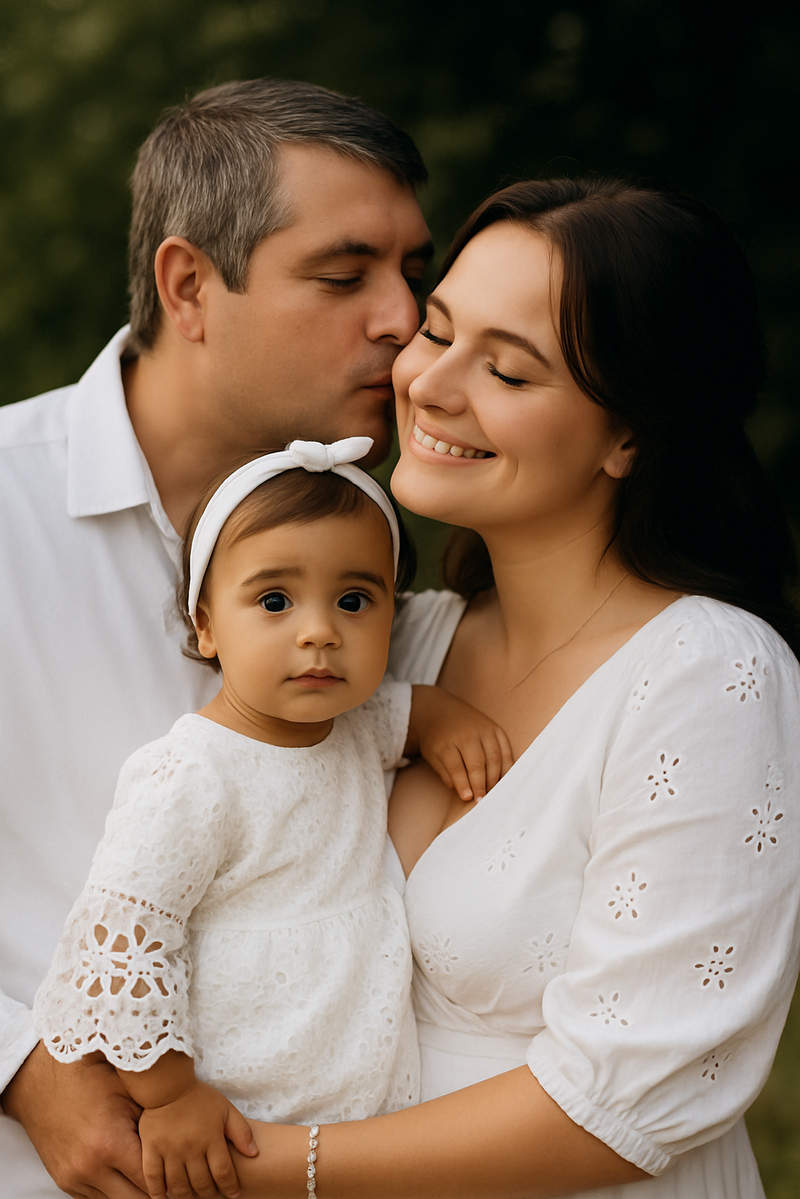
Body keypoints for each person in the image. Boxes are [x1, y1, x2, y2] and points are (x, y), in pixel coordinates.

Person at [229, 179, 800, 1198]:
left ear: (629, 433)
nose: (432, 384)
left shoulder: (708, 674)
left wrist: (269, 1166)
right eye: (435, 332)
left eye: (504, 368)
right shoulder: (390, 640)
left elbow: (619, 1101)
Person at [0, 78, 432, 1198]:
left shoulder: (398, 544)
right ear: (188, 284)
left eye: (410, 274)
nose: (402, 319)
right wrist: (17, 1064)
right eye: (344, 276)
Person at [32, 437, 511, 1199]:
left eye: (354, 601)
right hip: (231, 1112)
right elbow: (125, 943)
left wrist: (449, 719)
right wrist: (169, 1093)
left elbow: (408, 712)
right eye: (275, 601)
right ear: (207, 624)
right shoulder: (193, 773)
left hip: (353, 1100)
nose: (319, 630)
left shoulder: (354, 725)